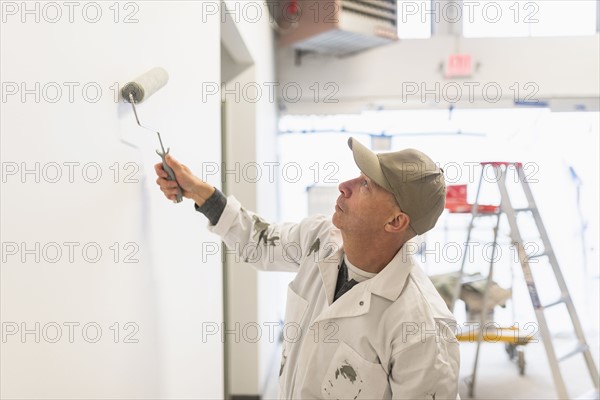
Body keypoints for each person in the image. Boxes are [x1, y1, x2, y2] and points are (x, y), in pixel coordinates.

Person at [155, 137, 460, 399]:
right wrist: (198, 191)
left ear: (395, 221)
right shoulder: (321, 239)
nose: (344, 186)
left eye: (366, 184)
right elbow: (259, 242)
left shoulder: (423, 329)